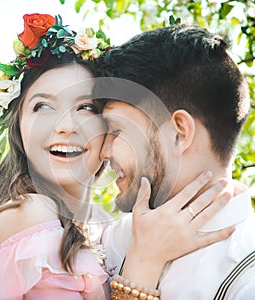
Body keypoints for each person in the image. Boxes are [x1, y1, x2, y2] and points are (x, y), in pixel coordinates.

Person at [0, 14, 234, 299]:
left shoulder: (103, 226)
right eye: (42, 107)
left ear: (110, 128)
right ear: (20, 128)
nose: (64, 126)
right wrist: (144, 263)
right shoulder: (29, 215)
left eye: (85, 108)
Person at [98, 24, 255, 299]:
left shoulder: (247, 275)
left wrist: (143, 263)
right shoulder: (113, 239)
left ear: (178, 133)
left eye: (117, 131)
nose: (104, 151)